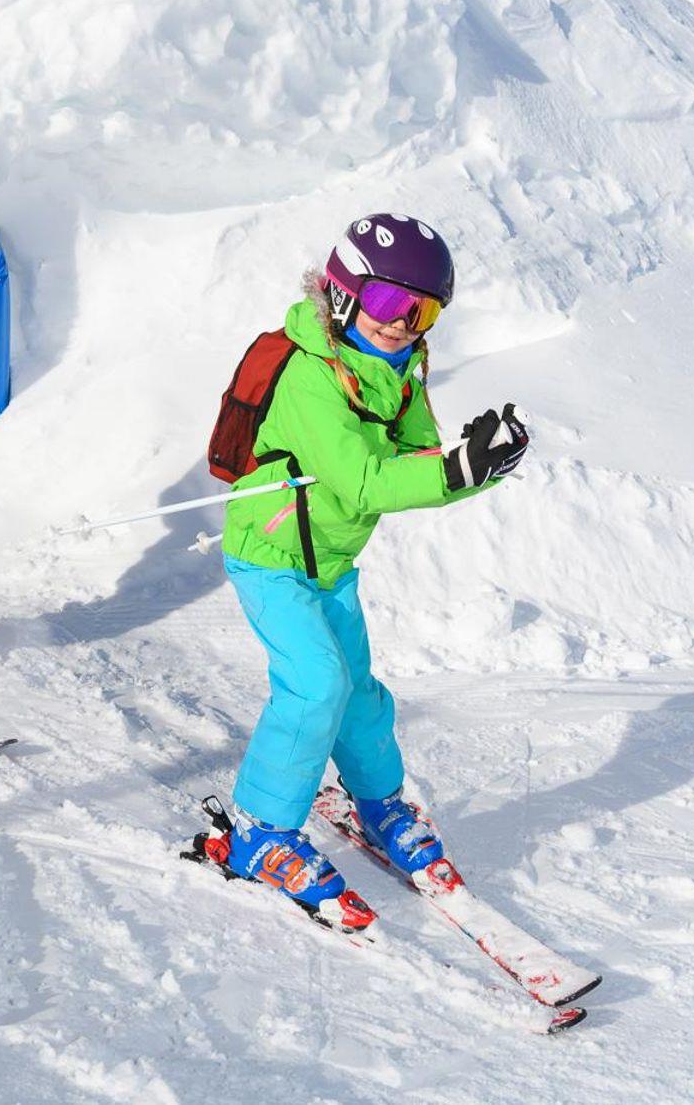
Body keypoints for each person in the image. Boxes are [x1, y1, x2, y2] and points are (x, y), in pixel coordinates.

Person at [212, 214, 529, 925]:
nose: (402, 324)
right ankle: (260, 830)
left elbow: (419, 463)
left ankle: (379, 802)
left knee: (357, 690)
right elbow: (365, 483)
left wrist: (479, 463)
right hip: (269, 557)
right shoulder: (310, 377)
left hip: (331, 560)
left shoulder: (400, 370)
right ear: (345, 294)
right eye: (389, 302)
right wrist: (455, 470)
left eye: (424, 312)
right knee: (315, 684)